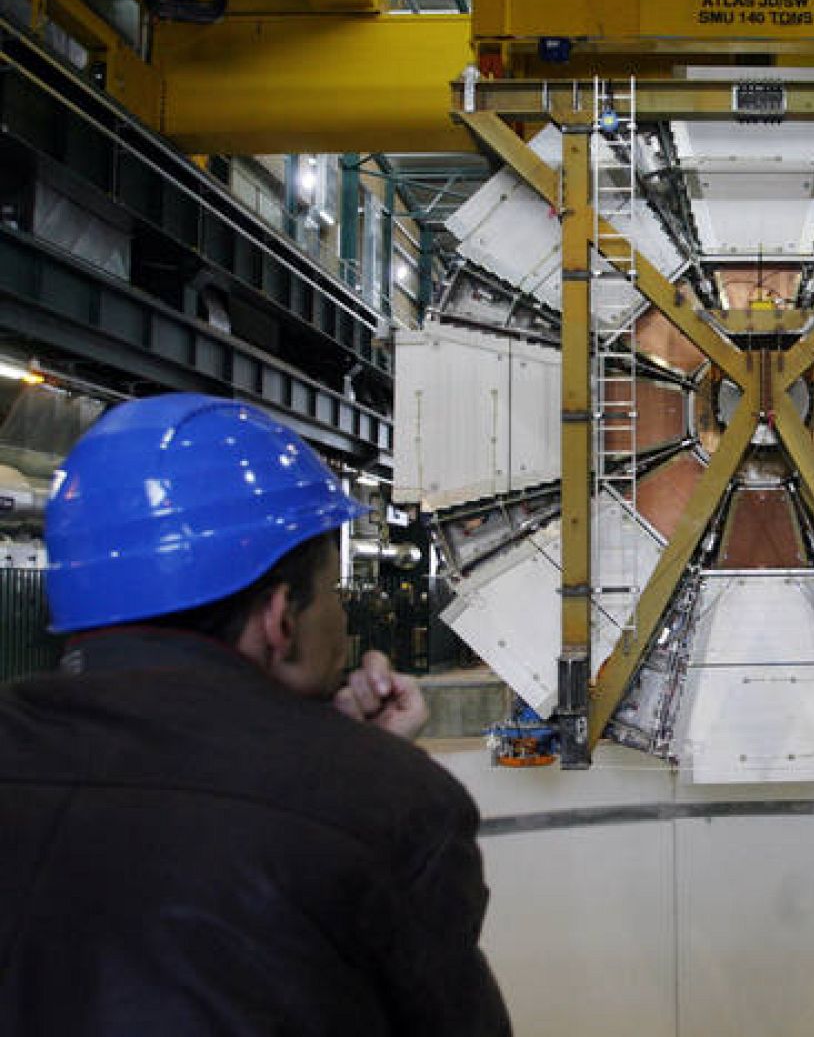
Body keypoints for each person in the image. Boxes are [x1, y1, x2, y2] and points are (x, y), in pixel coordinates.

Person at [0, 393, 511, 1035]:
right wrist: (367, 773)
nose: (343, 617)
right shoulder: (387, 802)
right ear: (280, 617)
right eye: (331, 592)